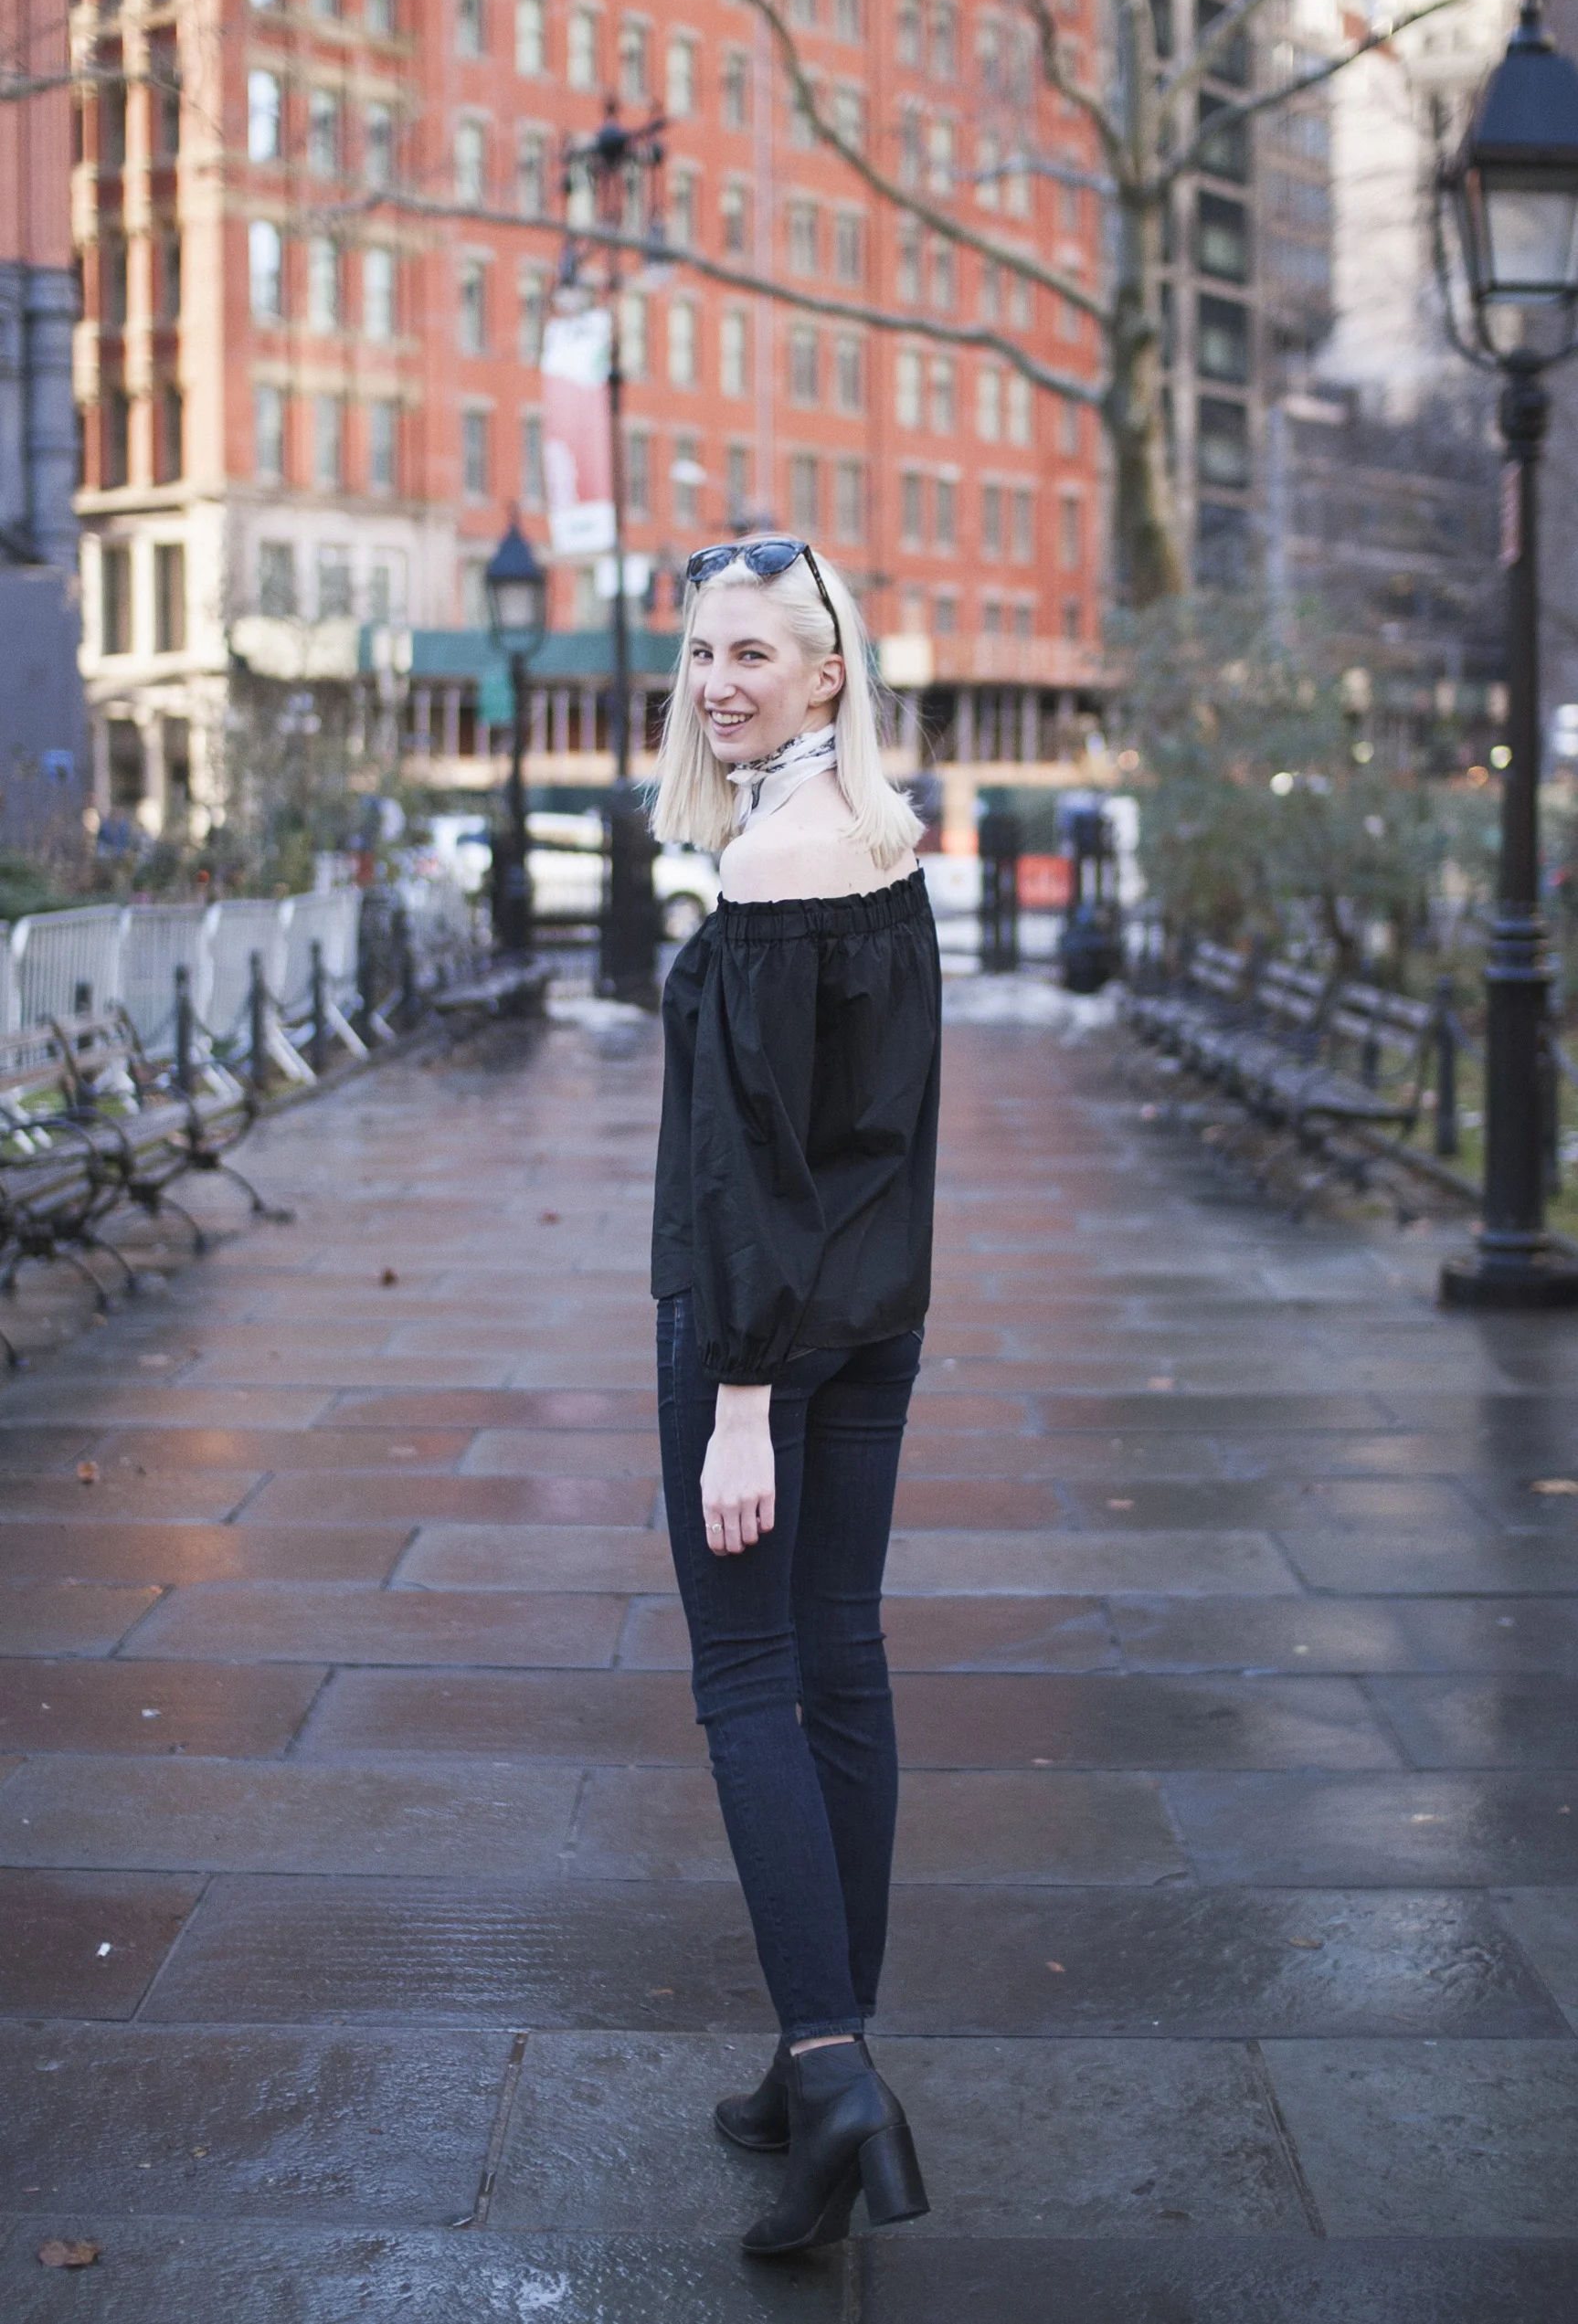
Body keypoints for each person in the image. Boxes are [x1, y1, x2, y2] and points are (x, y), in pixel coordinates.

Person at [650, 536, 941, 2258]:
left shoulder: (780, 867)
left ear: (828, 672)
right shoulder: (878, 844)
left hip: (756, 1332)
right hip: (872, 1317)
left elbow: (755, 1168)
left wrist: (741, 1397)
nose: (715, 683)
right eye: (698, 653)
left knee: (752, 1678)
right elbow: (870, 1137)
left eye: (750, 653)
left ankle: (832, 2075)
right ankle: (809, 2054)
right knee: (841, 1666)